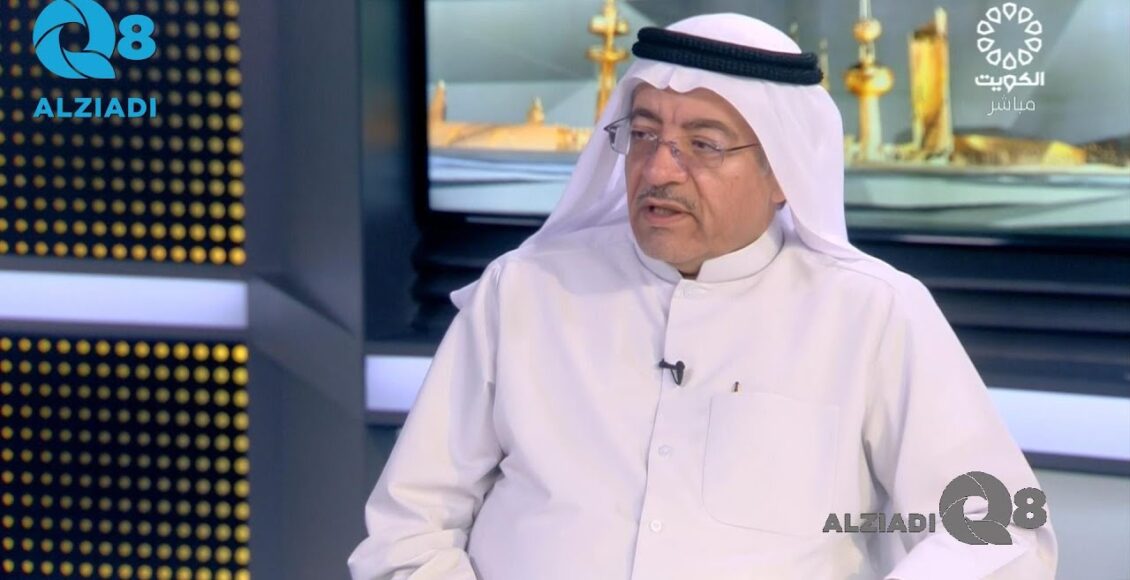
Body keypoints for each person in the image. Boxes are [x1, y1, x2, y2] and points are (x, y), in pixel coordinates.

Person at [348, 13, 1057, 580]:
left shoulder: (873, 314)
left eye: (703, 144)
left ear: (783, 172)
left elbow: (1000, 530)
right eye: (644, 135)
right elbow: (408, 528)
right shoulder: (525, 290)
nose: (659, 169)